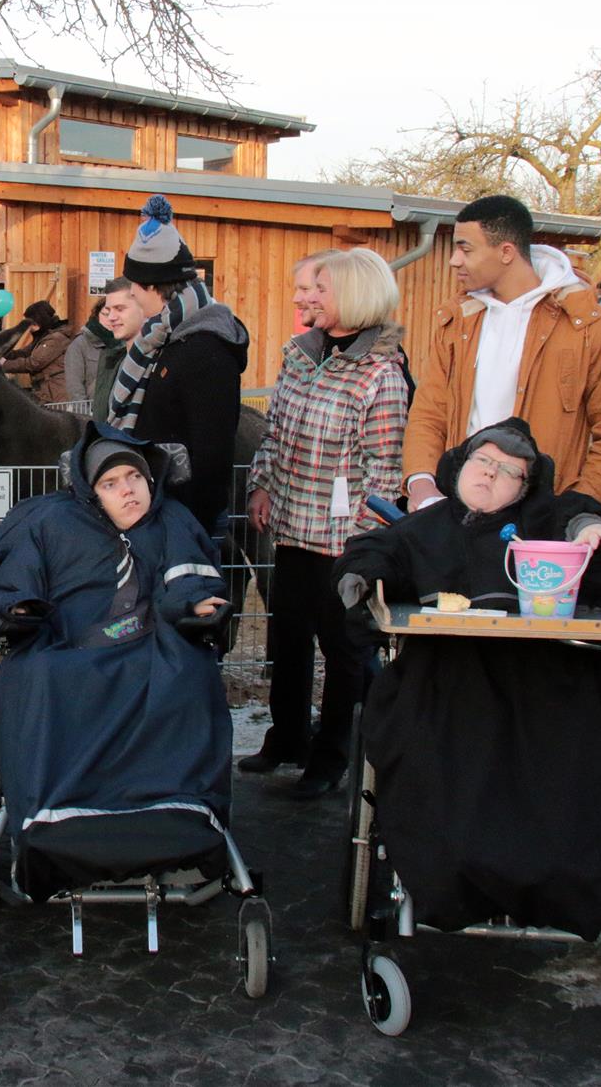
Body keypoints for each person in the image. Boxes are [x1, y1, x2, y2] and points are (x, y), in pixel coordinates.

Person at [334, 417, 601, 937]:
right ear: (459, 465)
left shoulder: (554, 517)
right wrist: (362, 578)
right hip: (451, 683)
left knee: (581, 753)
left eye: (509, 472)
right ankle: (450, 873)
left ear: (526, 486)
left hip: (552, 681)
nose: (490, 476)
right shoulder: (426, 529)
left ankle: (564, 878)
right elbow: (372, 552)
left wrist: (593, 537)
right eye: (483, 462)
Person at [0, 422, 233, 898]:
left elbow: (189, 577)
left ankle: (179, 810)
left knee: (189, 670)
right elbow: (14, 581)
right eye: (111, 483)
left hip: (152, 642)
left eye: (135, 478)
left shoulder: (173, 520)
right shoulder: (45, 521)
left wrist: (193, 602)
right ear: (91, 491)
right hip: (65, 644)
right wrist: (15, 609)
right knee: (40, 674)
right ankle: (55, 819)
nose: (128, 491)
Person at [242, 249, 411, 795]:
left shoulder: (381, 373)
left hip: (342, 541)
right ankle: (287, 737)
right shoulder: (300, 356)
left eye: (319, 289)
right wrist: (262, 484)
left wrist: (361, 543)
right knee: (288, 638)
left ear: (353, 295)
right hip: (293, 527)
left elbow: (383, 469)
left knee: (343, 652)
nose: (305, 298)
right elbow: (274, 432)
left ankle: (332, 755)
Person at [402, 195, 601, 509]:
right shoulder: (456, 320)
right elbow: (429, 413)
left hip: (543, 517)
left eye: (465, 249)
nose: (454, 260)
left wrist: (573, 506)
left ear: (506, 252)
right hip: (457, 510)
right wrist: (421, 484)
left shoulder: (589, 325)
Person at [108, 196, 248, 533]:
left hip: (182, 519)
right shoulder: (163, 337)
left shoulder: (205, 349)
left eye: (134, 286)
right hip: (158, 511)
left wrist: (188, 525)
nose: (133, 294)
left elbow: (212, 455)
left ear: (151, 286)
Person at [0, 300, 74, 404]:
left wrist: (5, 364)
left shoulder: (55, 339)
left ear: (39, 322)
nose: (29, 329)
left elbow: (34, 363)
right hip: (47, 392)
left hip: (55, 394)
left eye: (31, 324)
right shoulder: (44, 336)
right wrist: (3, 353)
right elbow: (24, 353)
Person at [91, 277, 145, 416]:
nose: (111, 317)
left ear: (144, 308)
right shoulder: (111, 361)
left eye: (119, 309)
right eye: (108, 310)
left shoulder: (159, 363)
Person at [64, 296, 120, 408]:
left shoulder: (125, 342)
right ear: (97, 315)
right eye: (105, 314)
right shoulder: (79, 345)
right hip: (91, 411)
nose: (110, 318)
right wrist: (84, 414)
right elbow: (75, 388)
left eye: (116, 314)